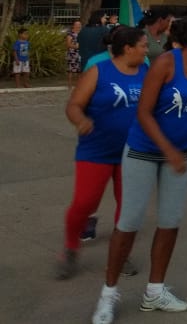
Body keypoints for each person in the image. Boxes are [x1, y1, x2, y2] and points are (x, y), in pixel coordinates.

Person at [89, 14, 187, 324]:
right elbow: (144, 113)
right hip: (144, 152)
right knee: (128, 223)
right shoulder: (165, 64)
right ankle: (108, 294)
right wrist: (168, 150)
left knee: (170, 222)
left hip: (181, 155)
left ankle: (154, 292)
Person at [57, 26, 150, 279]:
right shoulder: (99, 71)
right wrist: (80, 121)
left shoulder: (145, 71)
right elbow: (74, 105)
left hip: (133, 151)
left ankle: (120, 253)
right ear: (128, 48)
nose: (146, 49)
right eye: (142, 45)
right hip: (96, 150)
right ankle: (71, 247)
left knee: (128, 206)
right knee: (85, 203)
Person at [65, 20, 83, 89]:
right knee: (70, 70)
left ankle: (78, 84)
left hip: (80, 53)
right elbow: (68, 44)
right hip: (72, 53)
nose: (78, 26)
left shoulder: (82, 33)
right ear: (73, 25)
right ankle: (69, 84)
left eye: (79, 24)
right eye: (77, 24)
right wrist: (76, 46)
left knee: (79, 69)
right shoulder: (70, 33)